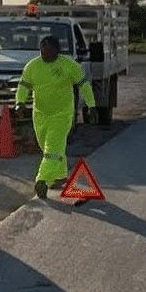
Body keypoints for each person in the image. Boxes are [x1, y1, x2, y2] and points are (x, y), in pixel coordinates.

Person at [14, 35, 94, 199]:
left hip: (62, 114)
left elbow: (84, 85)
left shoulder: (69, 65)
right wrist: (19, 102)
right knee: (48, 146)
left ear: (58, 51)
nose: (46, 55)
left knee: (52, 147)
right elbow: (23, 86)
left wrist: (91, 105)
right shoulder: (32, 66)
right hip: (40, 114)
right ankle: (59, 175)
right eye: (43, 51)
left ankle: (42, 180)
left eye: (50, 51)